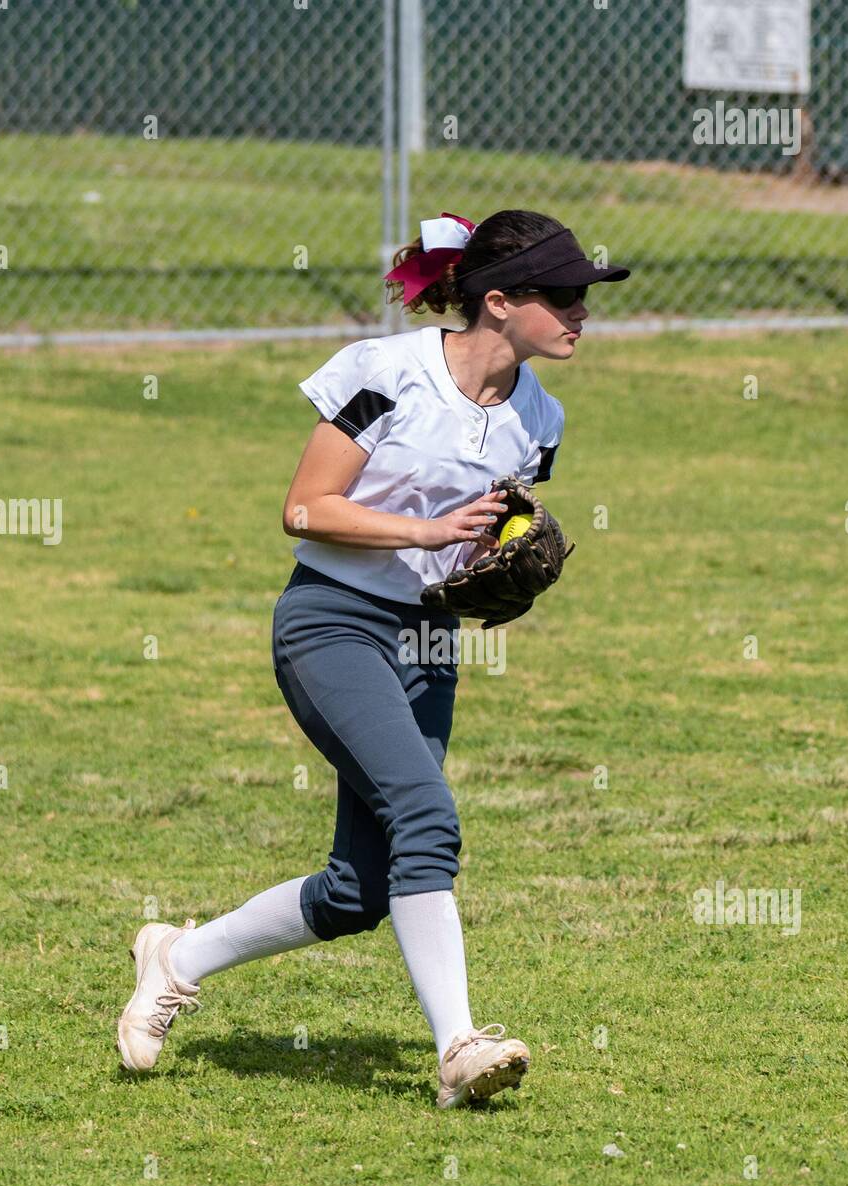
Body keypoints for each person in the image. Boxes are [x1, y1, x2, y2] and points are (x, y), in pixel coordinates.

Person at [117, 208, 630, 1108]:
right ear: (500, 302)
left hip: (429, 637)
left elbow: (475, 543)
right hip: (332, 621)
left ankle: (176, 957)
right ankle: (459, 1047)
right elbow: (306, 508)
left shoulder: (540, 418)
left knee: (361, 888)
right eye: (565, 294)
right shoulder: (387, 371)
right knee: (428, 816)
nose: (582, 311)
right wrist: (428, 529)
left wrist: (486, 562)